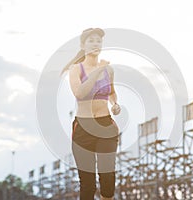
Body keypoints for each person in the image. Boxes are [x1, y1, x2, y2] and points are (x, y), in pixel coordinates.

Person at [60, 28, 121, 200]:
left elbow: (112, 92)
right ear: (83, 45)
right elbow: (80, 93)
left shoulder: (109, 70)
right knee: (88, 184)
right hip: (83, 128)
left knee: (108, 176)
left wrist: (115, 104)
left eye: (98, 41)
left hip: (106, 126)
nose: (96, 44)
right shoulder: (76, 69)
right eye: (91, 40)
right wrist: (97, 70)